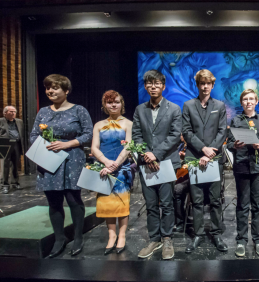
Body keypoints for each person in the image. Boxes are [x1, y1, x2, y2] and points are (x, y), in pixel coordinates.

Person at [29, 74, 93, 258]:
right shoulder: (43, 112)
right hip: (48, 159)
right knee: (54, 201)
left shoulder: (78, 110)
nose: (50, 91)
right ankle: (59, 238)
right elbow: (33, 135)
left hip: (72, 158)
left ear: (66, 90)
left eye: (55, 88)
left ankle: (78, 237)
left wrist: (67, 144)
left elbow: (88, 134)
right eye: (48, 88)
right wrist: (43, 146)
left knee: (73, 199)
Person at [133, 69, 182, 259]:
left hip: (166, 163)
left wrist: (156, 154)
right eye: (149, 83)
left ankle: (167, 239)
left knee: (167, 204)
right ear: (145, 86)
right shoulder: (140, 109)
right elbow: (137, 135)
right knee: (151, 204)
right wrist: (146, 154)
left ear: (163, 86)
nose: (153, 86)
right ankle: (154, 239)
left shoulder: (174, 108)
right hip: (146, 163)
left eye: (157, 83)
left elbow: (175, 136)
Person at [182, 69, 227, 253]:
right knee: (197, 200)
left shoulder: (220, 105)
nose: (205, 86)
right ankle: (198, 234)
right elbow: (186, 131)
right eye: (202, 83)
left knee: (216, 200)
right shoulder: (188, 105)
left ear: (213, 85)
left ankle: (216, 233)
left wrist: (210, 153)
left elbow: (222, 131)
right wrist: (203, 150)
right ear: (198, 84)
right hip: (195, 157)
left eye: (208, 83)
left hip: (214, 158)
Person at [227, 89, 259, 257]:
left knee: (258, 205)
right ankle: (241, 240)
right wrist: (235, 145)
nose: (248, 102)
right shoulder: (235, 120)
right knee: (242, 205)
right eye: (245, 99)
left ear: (256, 102)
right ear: (242, 103)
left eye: (251, 99)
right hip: (241, 166)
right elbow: (228, 144)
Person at [91, 90, 133, 255]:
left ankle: (121, 236)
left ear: (121, 103)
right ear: (104, 105)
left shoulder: (128, 123)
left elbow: (128, 146)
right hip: (103, 169)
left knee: (122, 204)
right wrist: (107, 163)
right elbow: (94, 147)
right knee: (107, 205)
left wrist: (116, 164)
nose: (113, 105)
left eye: (116, 101)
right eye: (109, 102)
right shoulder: (99, 125)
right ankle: (111, 235)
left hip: (122, 168)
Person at [0, 106, 24, 194]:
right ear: (5, 113)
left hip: (16, 144)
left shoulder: (19, 121)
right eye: (11, 111)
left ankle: (15, 182)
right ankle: (4, 185)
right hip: (5, 145)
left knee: (15, 164)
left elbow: (22, 134)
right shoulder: (1, 121)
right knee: (5, 165)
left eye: (14, 111)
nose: (13, 113)